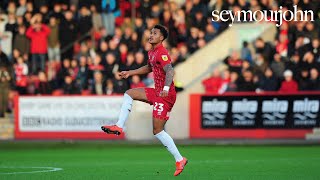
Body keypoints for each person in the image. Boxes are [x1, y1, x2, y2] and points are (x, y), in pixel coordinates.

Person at [101, 25, 188, 176]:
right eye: (151, 32)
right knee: (129, 93)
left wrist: (166, 89)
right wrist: (130, 72)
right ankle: (119, 126)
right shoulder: (152, 52)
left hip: (165, 95)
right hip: (157, 91)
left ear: (161, 38)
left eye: (155, 33)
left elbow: (170, 70)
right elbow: (149, 68)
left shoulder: (162, 52)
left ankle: (179, 159)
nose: (151, 35)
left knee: (157, 130)